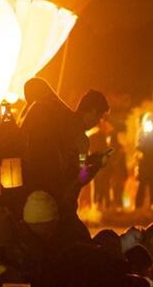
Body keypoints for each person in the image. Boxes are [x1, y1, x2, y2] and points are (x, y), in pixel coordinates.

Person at [19, 83, 110, 242]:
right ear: (93, 112)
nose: (98, 122)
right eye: (99, 117)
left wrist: (89, 160)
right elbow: (80, 176)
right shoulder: (81, 140)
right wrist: (97, 165)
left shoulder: (60, 124)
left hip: (35, 196)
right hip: (62, 208)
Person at [134, 112, 153, 210]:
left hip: (152, 162)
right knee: (142, 185)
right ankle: (138, 206)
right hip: (144, 163)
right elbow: (138, 146)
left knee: (152, 185)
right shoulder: (141, 133)